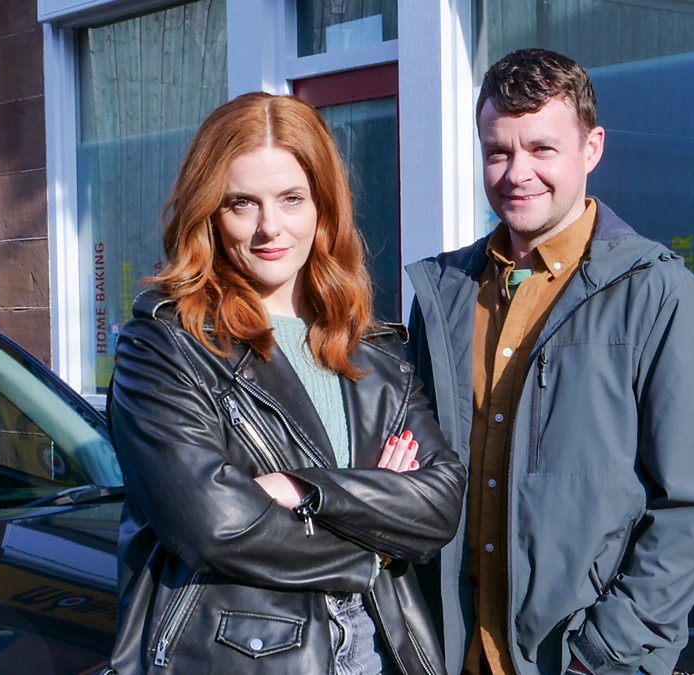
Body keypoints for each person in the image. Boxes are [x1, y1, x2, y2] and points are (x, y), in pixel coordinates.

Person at [405, 48, 694, 675]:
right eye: (498, 151)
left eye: (542, 149)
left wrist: (603, 652)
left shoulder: (657, 294)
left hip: (579, 659)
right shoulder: (443, 292)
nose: (517, 173)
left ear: (592, 148)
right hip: (453, 651)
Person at [109, 92, 466, 675]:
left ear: (323, 207)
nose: (269, 227)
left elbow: (440, 505)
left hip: (379, 648)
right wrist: (374, 538)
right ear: (210, 213)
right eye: (241, 204)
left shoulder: (373, 349)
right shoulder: (165, 345)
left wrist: (302, 489)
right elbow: (216, 526)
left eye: (291, 199)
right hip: (244, 655)